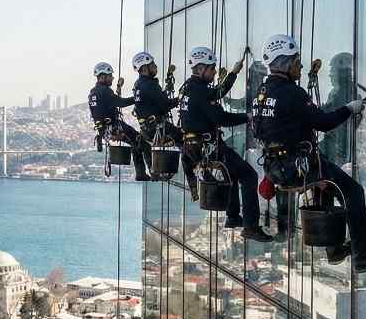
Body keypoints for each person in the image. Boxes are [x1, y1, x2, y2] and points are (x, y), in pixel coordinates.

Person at [251, 34, 366, 271]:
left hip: (275, 168)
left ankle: (334, 249)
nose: (300, 66)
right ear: (286, 63)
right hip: (299, 167)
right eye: (297, 61)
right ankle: (362, 254)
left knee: (327, 186)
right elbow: (324, 122)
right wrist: (350, 108)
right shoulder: (292, 93)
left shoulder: (262, 94)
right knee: (353, 191)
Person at [179, 45, 273, 242]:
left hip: (194, 147)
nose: (214, 73)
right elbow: (221, 118)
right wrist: (248, 117)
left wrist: (234, 73)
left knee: (233, 172)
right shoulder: (201, 91)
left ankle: (232, 217)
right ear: (201, 68)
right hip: (209, 148)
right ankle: (251, 227)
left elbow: (217, 93)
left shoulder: (188, 88)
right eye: (212, 69)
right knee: (249, 175)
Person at [131, 51, 196, 191]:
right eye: (152, 65)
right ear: (144, 68)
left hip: (147, 129)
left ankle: (154, 172)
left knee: (143, 145)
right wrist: (179, 99)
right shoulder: (150, 85)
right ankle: (195, 177)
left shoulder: (138, 85)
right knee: (186, 141)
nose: (155, 67)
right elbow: (164, 104)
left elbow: (154, 102)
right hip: (158, 128)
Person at [88, 62, 149, 180]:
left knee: (135, 143)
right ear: (103, 76)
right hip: (114, 126)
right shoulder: (105, 91)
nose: (112, 77)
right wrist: (137, 98)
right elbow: (120, 103)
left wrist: (118, 88)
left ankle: (141, 174)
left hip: (106, 129)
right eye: (110, 75)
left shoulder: (93, 92)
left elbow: (111, 102)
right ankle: (150, 171)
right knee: (142, 143)